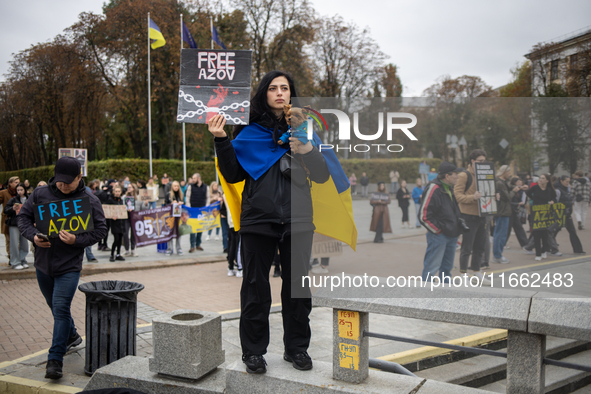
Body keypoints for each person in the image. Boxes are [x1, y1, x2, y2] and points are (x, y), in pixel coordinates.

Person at [208, 70, 329, 374]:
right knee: (254, 288)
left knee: (298, 288)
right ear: (264, 94)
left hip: (299, 219)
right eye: (273, 88)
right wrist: (221, 139)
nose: (279, 93)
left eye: (285, 88)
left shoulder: (304, 128)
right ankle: (253, 351)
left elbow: (323, 175)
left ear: (291, 94)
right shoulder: (247, 130)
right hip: (258, 219)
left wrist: (307, 149)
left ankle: (297, 348)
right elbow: (234, 175)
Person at [17, 156, 107, 379]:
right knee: (57, 308)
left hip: (69, 266)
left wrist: (76, 241)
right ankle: (72, 336)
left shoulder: (89, 199)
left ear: (79, 177)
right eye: (59, 181)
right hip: (43, 264)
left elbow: (101, 230)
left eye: (68, 181)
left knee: (59, 307)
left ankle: (55, 360)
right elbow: (24, 219)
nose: (62, 185)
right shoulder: (40, 194)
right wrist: (33, 237)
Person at [419, 162, 463, 282]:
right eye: (455, 174)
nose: (458, 177)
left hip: (451, 234)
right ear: (447, 176)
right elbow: (424, 216)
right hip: (439, 235)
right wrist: (438, 230)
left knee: (447, 269)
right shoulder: (434, 188)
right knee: (431, 269)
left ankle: (445, 295)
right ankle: (425, 296)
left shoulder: (449, 188)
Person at [453, 149, 490, 283]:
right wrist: (472, 197)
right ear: (472, 161)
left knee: (480, 245)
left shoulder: (485, 174)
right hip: (468, 215)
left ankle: (476, 271)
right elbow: (457, 195)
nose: (482, 163)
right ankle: (463, 274)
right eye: (480, 161)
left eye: (484, 161)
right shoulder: (464, 175)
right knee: (467, 246)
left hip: (483, 214)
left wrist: (494, 196)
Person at [526, 174, 556, 261]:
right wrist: (534, 199)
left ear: (547, 180)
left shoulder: (549, 190)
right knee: (536, 233)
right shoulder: (535, 188)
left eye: (543, 178)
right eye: (540, 178)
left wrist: (552, 202)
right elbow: (527, 193)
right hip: (536, 212)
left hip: (546, 213)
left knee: (545, 233)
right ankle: (538, 253)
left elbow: (554, 198)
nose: (541, 180)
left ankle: (544, 251)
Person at [553, 176, 585, 254]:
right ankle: (548, 247)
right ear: (561, 181)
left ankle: (578, 250)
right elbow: (555, 202)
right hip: (560, 215)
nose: (568, 183)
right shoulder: (558, 190)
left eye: (569, 181)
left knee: (572, 231)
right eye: (566, 181)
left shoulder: (566, 189)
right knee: (554, 231)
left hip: (567, 214)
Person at [492, 165, 515, 264]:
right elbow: (508, 196)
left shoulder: (500, 182)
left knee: (500, 233)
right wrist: (514, 191)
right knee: (500, 234)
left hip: (502, 211)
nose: (509, 174)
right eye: (509, 172)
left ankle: (498, 255)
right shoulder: (500, 183)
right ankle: (497, 256)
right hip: (502, 211)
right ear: (504, 172)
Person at [4, 183, 29, 269]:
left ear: (25, 190)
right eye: (18, 190)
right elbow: (5, 210)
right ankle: (15, 262)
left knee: (24, 243)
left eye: (21, 190)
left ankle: (23, 260)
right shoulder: (13, 200)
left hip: (25, 223)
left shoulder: (28, 199)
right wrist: (12, 209)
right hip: (14, 224)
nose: (19, 192)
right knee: (14, 243)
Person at [185, 173, 209, 252]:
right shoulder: (190, 186)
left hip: (201, 211)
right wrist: (189, 208)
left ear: (199, 178)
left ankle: (198, 244)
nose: (193, 180)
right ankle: (192, 246)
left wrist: (206, 207)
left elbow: (208, 197)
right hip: (192, 211)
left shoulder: (206, 187)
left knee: (200, 228)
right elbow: (187, 198)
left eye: (194, 178)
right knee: (192, 229)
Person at [0, 176, 19, 263]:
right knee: (9, 239)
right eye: (15, 182)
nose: (17, 184)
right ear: (10, 183)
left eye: (18, 182)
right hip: (7, 219)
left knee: (18, 240)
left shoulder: (20, 192)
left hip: (18, 219)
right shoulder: (4, 192)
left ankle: (18, 257)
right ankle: (10, 257)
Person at [507, 176, 529, 248]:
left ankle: (525, 243)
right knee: (508, 229)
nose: (520, 183)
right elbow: (508, 201)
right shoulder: (511, 189)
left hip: (514, 211)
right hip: (509, 211)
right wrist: (518, 204)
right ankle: (502, 243)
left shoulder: (518, 190)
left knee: (518, 227)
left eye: (521, 182)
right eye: (518, 182)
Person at [165, 181, 184, 255]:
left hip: (178, 217)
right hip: (170, 217)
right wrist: (171, 204)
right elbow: (165, 204)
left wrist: (181, 203)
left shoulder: (181, 195)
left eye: (177, 186)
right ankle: (169, 249)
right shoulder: (168, 194)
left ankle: (179, 249)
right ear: (172, 187)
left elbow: (184, 203)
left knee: (179, 233)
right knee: (170, 233)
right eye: (175, 186)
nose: (176, 187)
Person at [107, 186, 126, 262]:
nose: (117, 193)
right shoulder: (110, 200)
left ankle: (118, 254)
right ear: (114, 192)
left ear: (121, 192)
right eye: (116, 191)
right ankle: (112, 254)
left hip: (121, 223)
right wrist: (111, 216)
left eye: (119, 191)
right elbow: (107, 211)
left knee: (120, 239)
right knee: (116, 239)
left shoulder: (121, 200)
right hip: (115, 223)